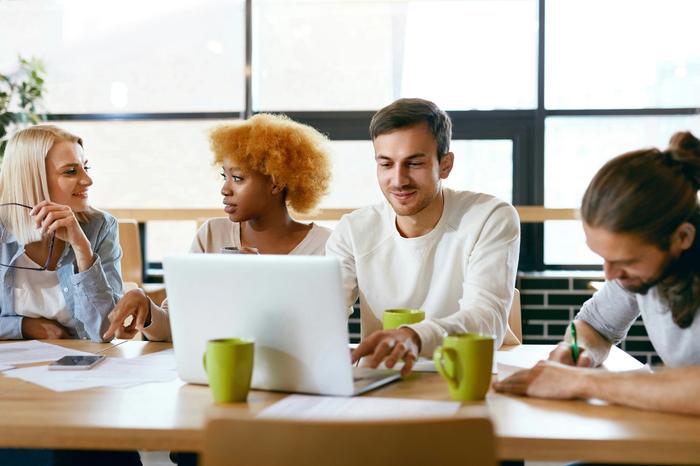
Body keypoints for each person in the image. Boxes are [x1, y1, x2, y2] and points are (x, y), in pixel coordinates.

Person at [494, 131, 700, 417]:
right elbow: (594, 325)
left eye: (626, 260)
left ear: (683, 237)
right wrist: (578, 350)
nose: (611, 274)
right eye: (604, 258)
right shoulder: (640, 271)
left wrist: (582, 382)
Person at [327, 98, 521, 376]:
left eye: (414, 163)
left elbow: (486, 320)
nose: (398, 180)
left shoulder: (489, 217)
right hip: (385, 378)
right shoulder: (353, 229)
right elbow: (323, 315)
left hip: (464, 376)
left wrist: (414, 336)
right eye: (386, 164)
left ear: (445, 165)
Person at [104, 113, 333, 342]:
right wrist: (146, 307)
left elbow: (320, 333)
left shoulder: (324, 246)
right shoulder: (212, 234)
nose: (225, 189)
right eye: (225, 176)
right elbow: (175, 326)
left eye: (238, 178)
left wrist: (261, 282)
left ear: (276, 183)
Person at [0, 125, 122, 342]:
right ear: (32, 179)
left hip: (78, 365)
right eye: (71, 171)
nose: (87, 180)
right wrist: (24, 326)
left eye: (86, 167)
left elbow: (106, 330)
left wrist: (83, 249)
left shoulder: (101, 226)